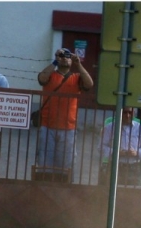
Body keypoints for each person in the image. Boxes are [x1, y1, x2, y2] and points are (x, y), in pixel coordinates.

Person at [34, 47, 94, 181]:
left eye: (68, 56)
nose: (65, 58)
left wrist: (78, 64)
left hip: (69, 128)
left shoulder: (76, 77)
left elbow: (89, 84)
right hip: (47, 126)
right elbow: (42, 78)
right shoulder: (51, 75)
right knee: (45, 163)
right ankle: (44, 186)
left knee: (66, 164)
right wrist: (55, 61)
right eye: (62, 56)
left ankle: (64, 187)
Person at [100, 107, 141, 186]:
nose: (127, 115)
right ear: (119, 113)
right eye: (125, 112)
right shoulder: (110, 127)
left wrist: (137, 153)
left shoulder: (140, 128)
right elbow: (101, 146)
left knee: (134, 192)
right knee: (112, 190)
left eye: (130, 113)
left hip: (134, 168)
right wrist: (116, 152)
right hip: (115, 166)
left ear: (133, 113)